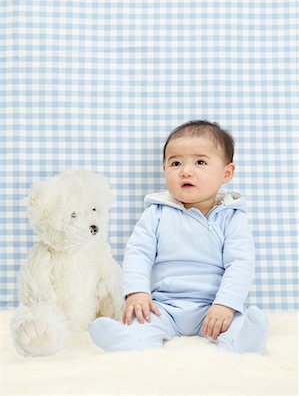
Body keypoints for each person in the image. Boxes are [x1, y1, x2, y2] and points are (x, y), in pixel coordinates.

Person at [89, 120, 268, 353]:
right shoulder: (156, 212)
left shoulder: (232, 217)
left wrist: (226, 304)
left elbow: (240, 264)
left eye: (200, 162)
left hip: (212, 307)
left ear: (227, 173)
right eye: (175, 163)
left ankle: (243, 340)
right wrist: (137, 293)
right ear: (165, 169)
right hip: (164, 305)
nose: (185, 170)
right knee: (142, 321)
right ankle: (128, 340)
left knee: (233, 324)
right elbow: (138, 253)